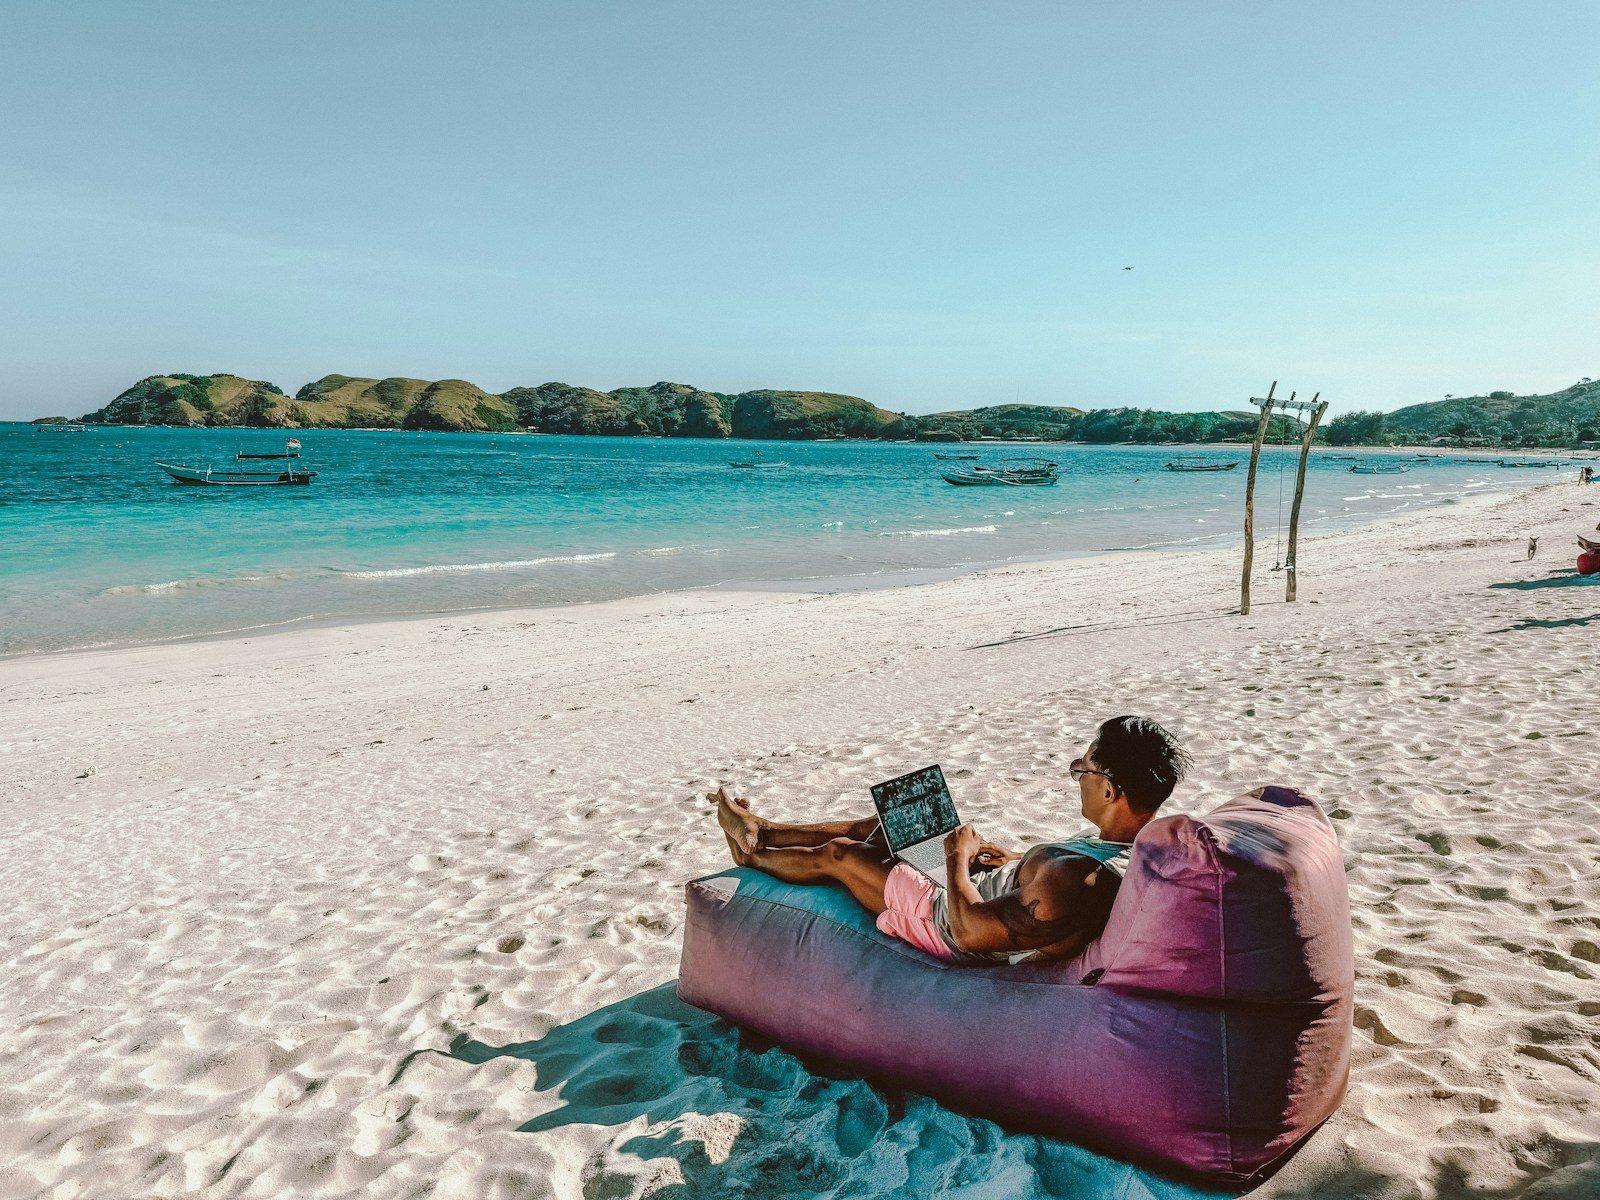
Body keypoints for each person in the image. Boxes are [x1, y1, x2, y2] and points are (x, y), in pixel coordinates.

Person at [712, 715, 1190, 965]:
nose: (1077, 776)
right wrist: (1015, 860)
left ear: (1110, 790)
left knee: (842, 856)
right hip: (982, 888)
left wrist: (956, 858)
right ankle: (767, 829)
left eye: (1081, 769)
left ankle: (751, 855)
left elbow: (968, 935)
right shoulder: (1127, 845)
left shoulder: (1076, 882)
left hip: (946, 919)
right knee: (889, 824)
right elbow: (1050, 880)